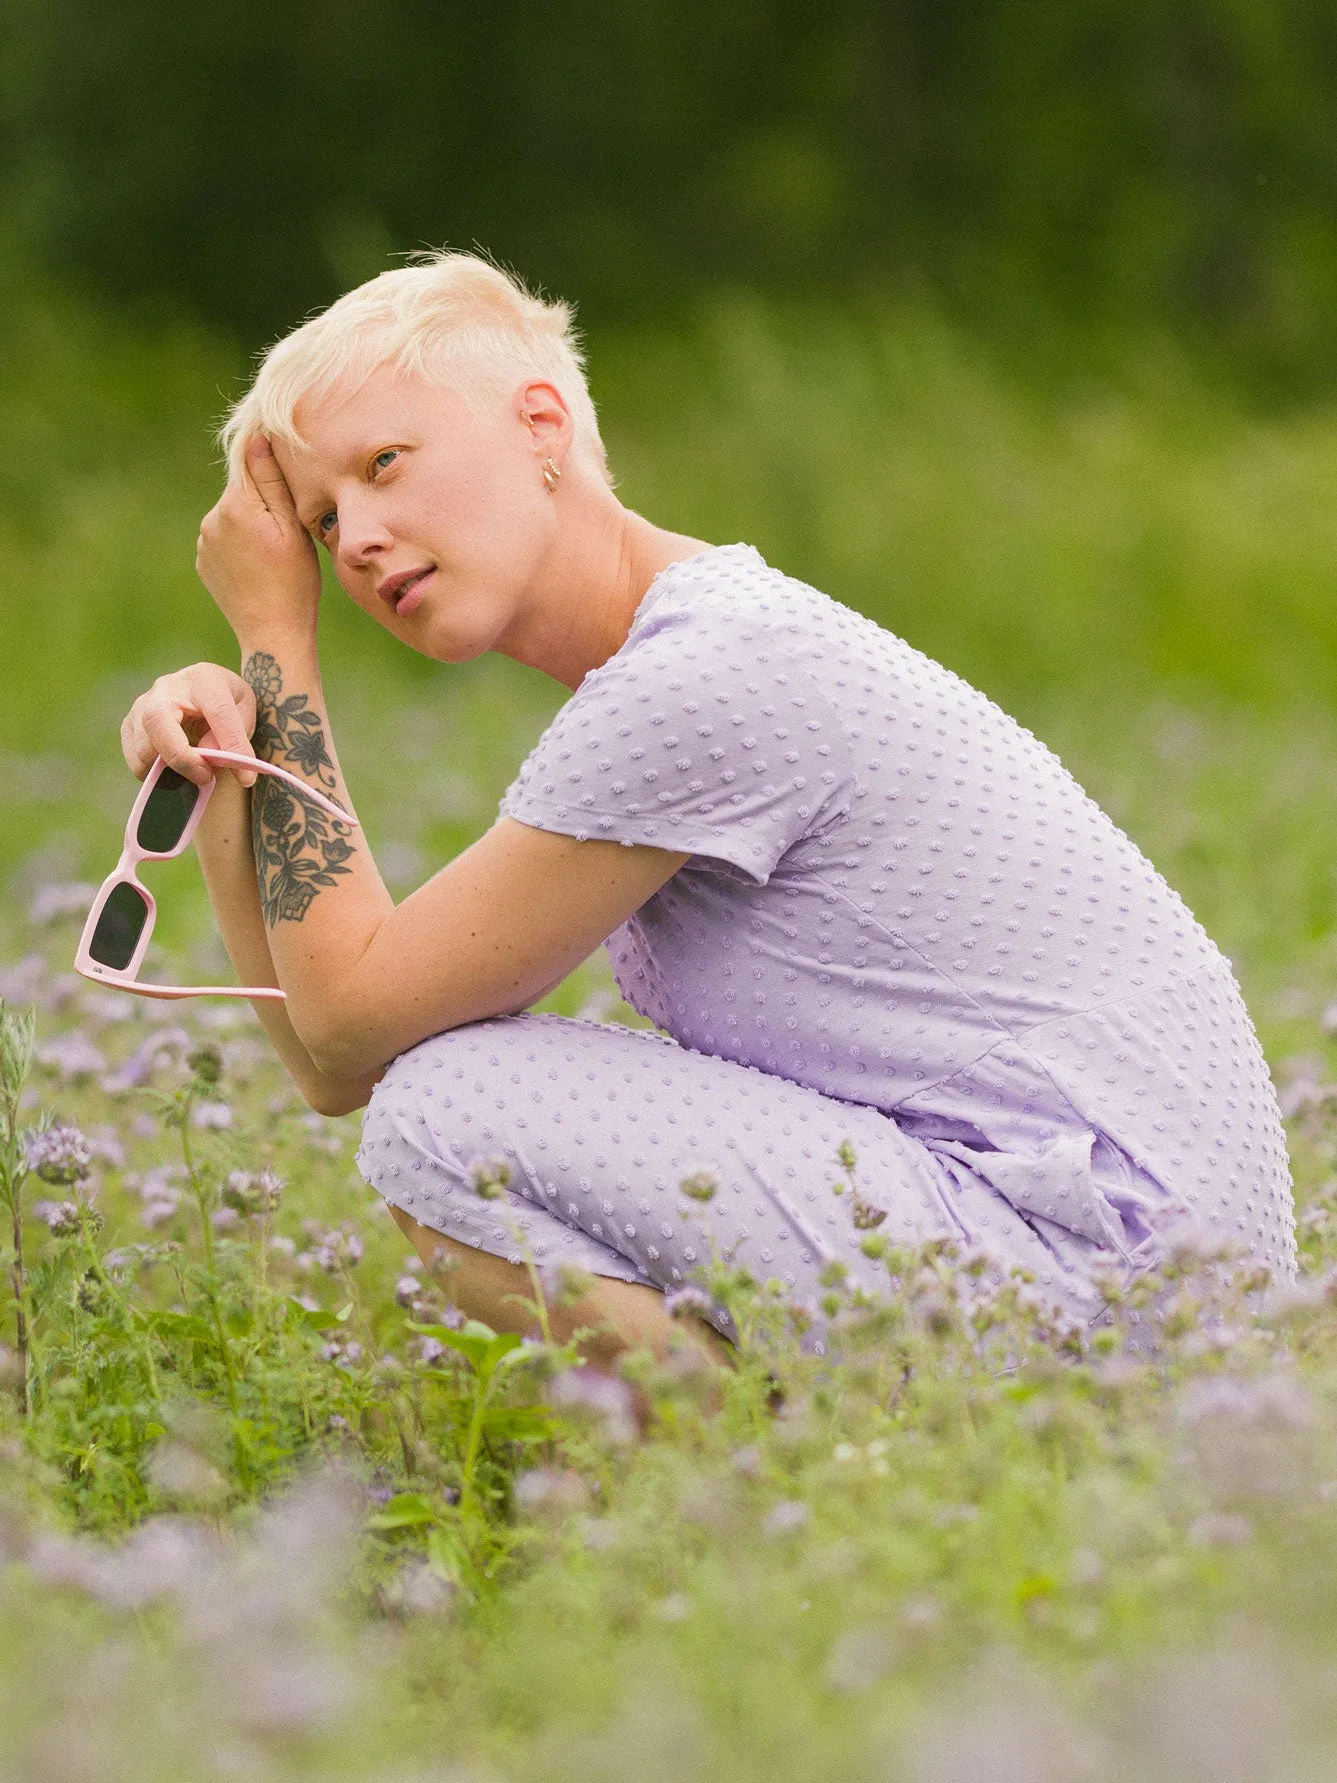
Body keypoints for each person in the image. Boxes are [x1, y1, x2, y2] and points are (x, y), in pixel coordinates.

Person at [119, 252, 1295, 1361]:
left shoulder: (702, 678)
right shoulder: (685, 653)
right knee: (428, 1111)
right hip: (1102, 1259)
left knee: (446, 1117)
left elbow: (352, 1030)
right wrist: (241, 756)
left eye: (382, 465)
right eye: (320, 526)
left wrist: (275, 637)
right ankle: (774, 1491)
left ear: (541, 427)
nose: (357, 540)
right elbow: (333, 1066)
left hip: (1120, 1281)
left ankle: (762, 1503)